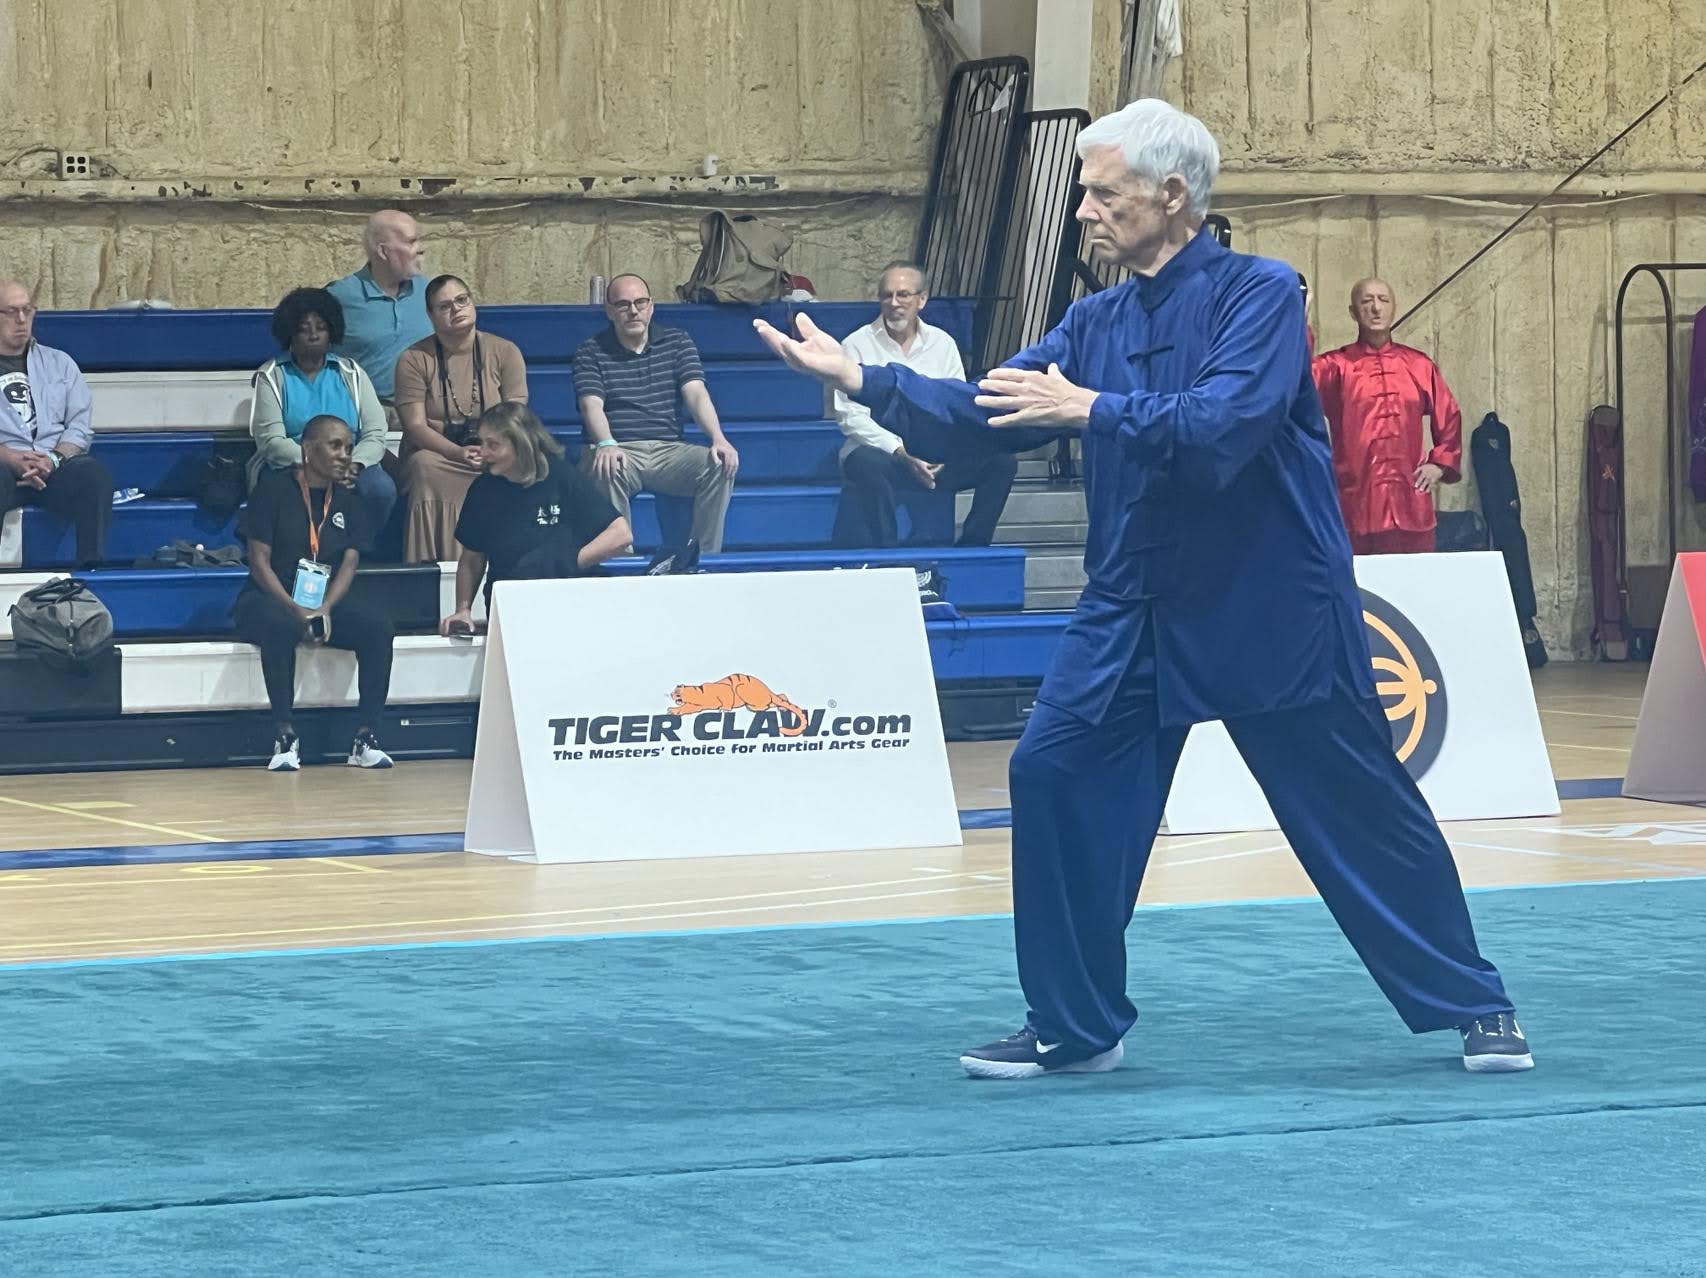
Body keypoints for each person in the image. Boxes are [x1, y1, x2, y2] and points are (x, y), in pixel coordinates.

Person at [754, 99, 1532, 1080]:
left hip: (1270, 603)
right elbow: (988, 408)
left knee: (1357, 806)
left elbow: (1222, 424)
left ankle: (1475, 1005)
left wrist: (1090, 408)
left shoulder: (1260, 294)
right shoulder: (1095, 319)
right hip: (1133, 603)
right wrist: (864, 381)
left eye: (1100, 192)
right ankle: (1075, 1025)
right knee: (1051, 774)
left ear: (1170, 196)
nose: (1082, 210)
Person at [234, 415, 395, 773]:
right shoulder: (273, 490)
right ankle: (284, 735)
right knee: (280, 626)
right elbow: (259, 562)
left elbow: (349, 563)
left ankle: (366, 737)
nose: (344, 455)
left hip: (324, 601)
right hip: (272, 595)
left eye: (349, 447)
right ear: (307, 449)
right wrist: (296, 609)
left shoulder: (350, 497)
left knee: (378, 627)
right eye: (335, 445)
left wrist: (324, 609)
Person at [834, 262, 1016, 547]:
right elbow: (850, 416)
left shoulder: (943, 344)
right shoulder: (855, 344)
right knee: (865, 462)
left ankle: (974, 545)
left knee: (1002, 461)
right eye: (887, 295)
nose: (894, 303)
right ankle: (886, 554)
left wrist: (942, 449)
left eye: (903, 295)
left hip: (936, 455)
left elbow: (957, 406)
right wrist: (902, 452)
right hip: (885, 454)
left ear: (922, 299)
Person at [573, 273, 738, 553]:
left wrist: (718, 438)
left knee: (721, 464)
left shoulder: (677, 342)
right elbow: (591, 405)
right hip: (620, 448)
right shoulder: (590, 351)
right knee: (605, 464)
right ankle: (619, 561)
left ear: (651, 307)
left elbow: (696, 394)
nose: (633, 310)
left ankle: (702, 559)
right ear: (609, 310)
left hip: (668, 450)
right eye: (623, 304)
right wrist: (606, 443)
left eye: (640, 302)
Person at [438, 403, 631, 636]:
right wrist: (463, 610)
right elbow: (471, 558)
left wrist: (566, 563)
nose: (484, 453)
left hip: (565, 592)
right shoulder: (483, 489)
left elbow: (620, 534)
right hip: (512, 600)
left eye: (493, 445)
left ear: (521, 444)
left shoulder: (562, 477)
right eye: (482, 443)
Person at [1313, 277, 1462, 554]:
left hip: (1411, 507)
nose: (1376, 308)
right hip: (1356, 510)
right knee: (1357, 581)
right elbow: (1293, 376)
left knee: (1415, 580)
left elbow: (1449, 414)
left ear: (1393, 308)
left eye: (1383, 300)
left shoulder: (1419, 365)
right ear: (1353, 312)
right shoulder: (1334, 367)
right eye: (1366, 301)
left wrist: (1439, 464)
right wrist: (1299, 318)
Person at [393, 275, 529, 562]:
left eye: (461, 300)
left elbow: (515, 413)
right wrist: (457, 453)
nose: (456, 309)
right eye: (444, 306)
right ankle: (431, 566)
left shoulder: (505, 351)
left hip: (493, 453)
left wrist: (491, 451)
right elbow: (414, 425)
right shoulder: (414, 359)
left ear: (472, 302)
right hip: (438, 455)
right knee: (423, 466)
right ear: (430, 315)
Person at [250, 287, 396, 532]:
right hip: (294, 464)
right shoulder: (271, 375)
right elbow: (271, 442)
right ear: (289, 333)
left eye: (321, 327)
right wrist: (319, 465)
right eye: (303, 329)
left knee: (380, 488)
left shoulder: (352, 372)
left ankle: (365, 548)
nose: (314, 335)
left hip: (349, 463)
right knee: (281, 491)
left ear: (332, 332)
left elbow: (375, 433)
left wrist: (354, 464)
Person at [0, 279, 113, 568]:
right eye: (11, 311)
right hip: (4, 468)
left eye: (27, 310)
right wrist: (10, 458)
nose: (22, 320)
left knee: (93, 475)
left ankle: (90, 570)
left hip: (53, 466)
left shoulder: (60, 363)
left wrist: (54, 458)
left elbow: (79, 426)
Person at [327, 209, 431, 405]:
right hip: (365, 413)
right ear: (383, 252)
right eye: (411, 241)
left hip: (428, 411)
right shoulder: (338, 297)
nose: (421, 249)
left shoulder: (431, 291)